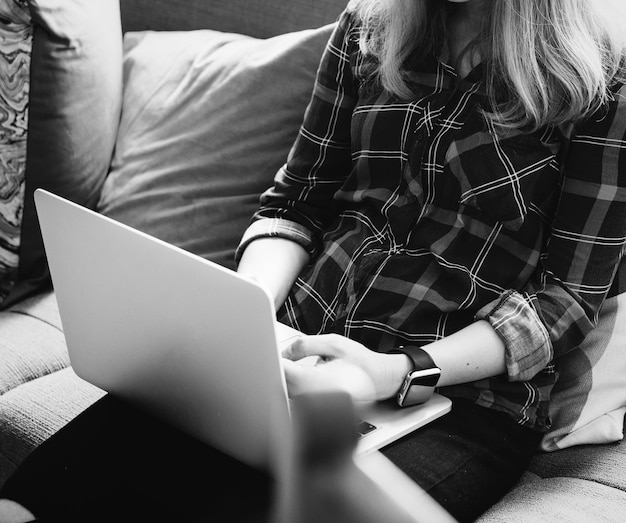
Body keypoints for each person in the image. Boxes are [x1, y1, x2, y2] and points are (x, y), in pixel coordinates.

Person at [1, 0, 626, 521]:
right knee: (43, 494)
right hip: (292, 353)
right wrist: (249, 320)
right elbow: (295, 202)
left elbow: (563, 302)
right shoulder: (370, 24)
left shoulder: (602, 77)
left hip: (457, 401)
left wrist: (395, 373)